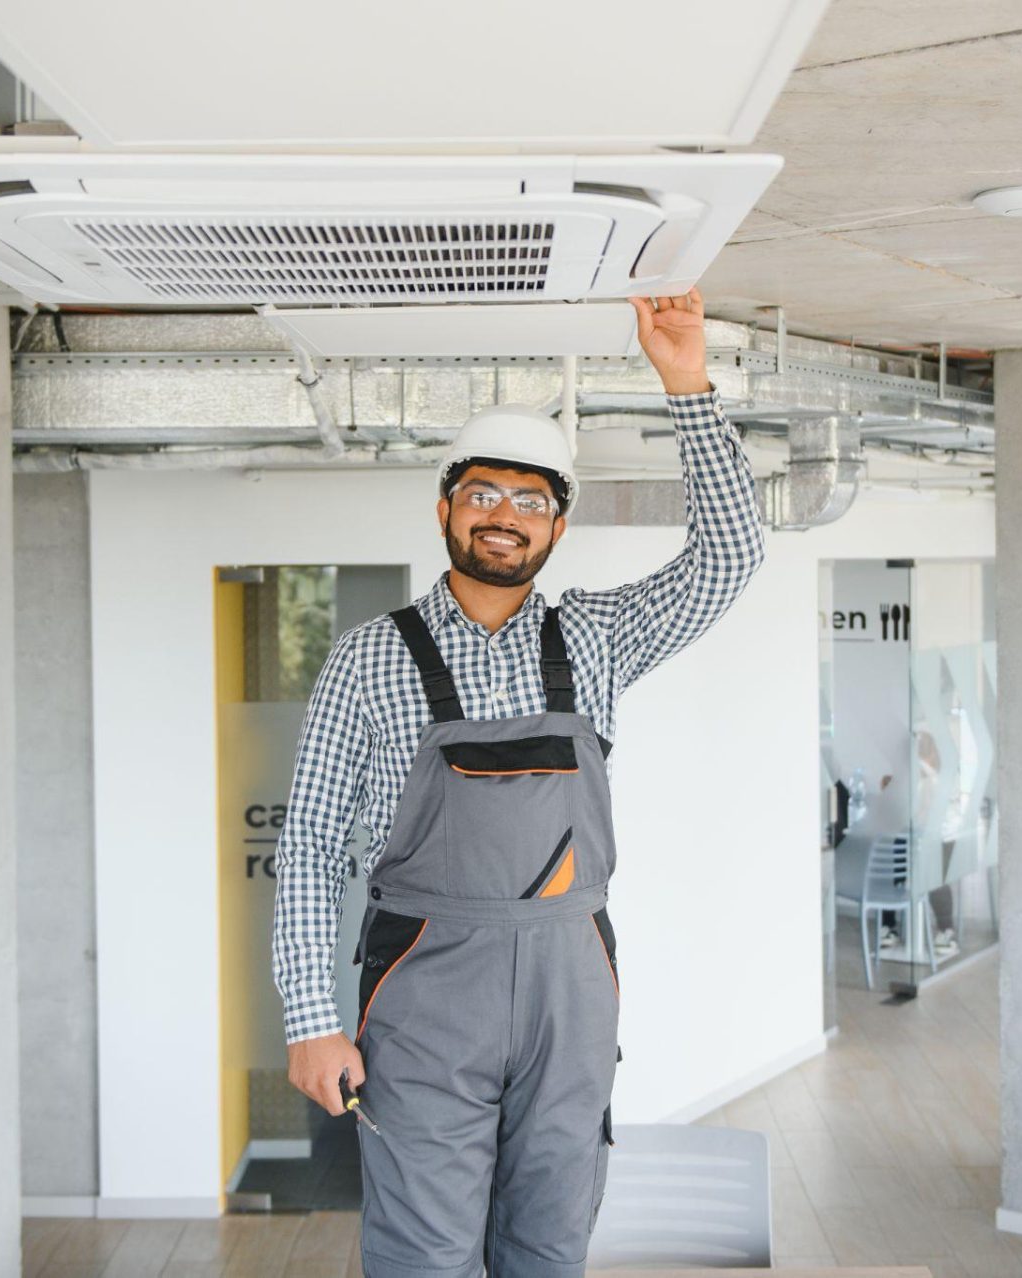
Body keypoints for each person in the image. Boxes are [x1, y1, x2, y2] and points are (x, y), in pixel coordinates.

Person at [271, 286, 765, 1278]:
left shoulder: (597, 635)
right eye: (486, 493)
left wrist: (687, 386)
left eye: (533, 500)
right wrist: (309, 1020)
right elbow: (314, 841)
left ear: (558, 526)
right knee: (424, 1248)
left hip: (568, 982)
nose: (507, 517)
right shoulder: (370, 658)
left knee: (551, 1238)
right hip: (424, 981)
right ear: (447, 504)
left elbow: (729, 557)